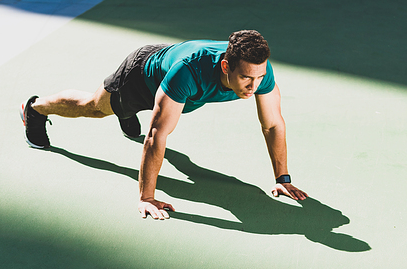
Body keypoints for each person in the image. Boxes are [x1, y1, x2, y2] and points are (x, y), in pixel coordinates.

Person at [20, 29, 308, 219]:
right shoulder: (189, 73)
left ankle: (127, 113)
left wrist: (283, 179)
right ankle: (34, 108)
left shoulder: (259, 71)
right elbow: (156, 135)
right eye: (246, 78)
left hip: (174, 81)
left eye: (259, 77)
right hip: (142, 78)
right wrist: (147, 197)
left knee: (169, 110)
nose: (254, 85)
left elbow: (272, 125)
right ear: (225, 67)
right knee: (94, 108)